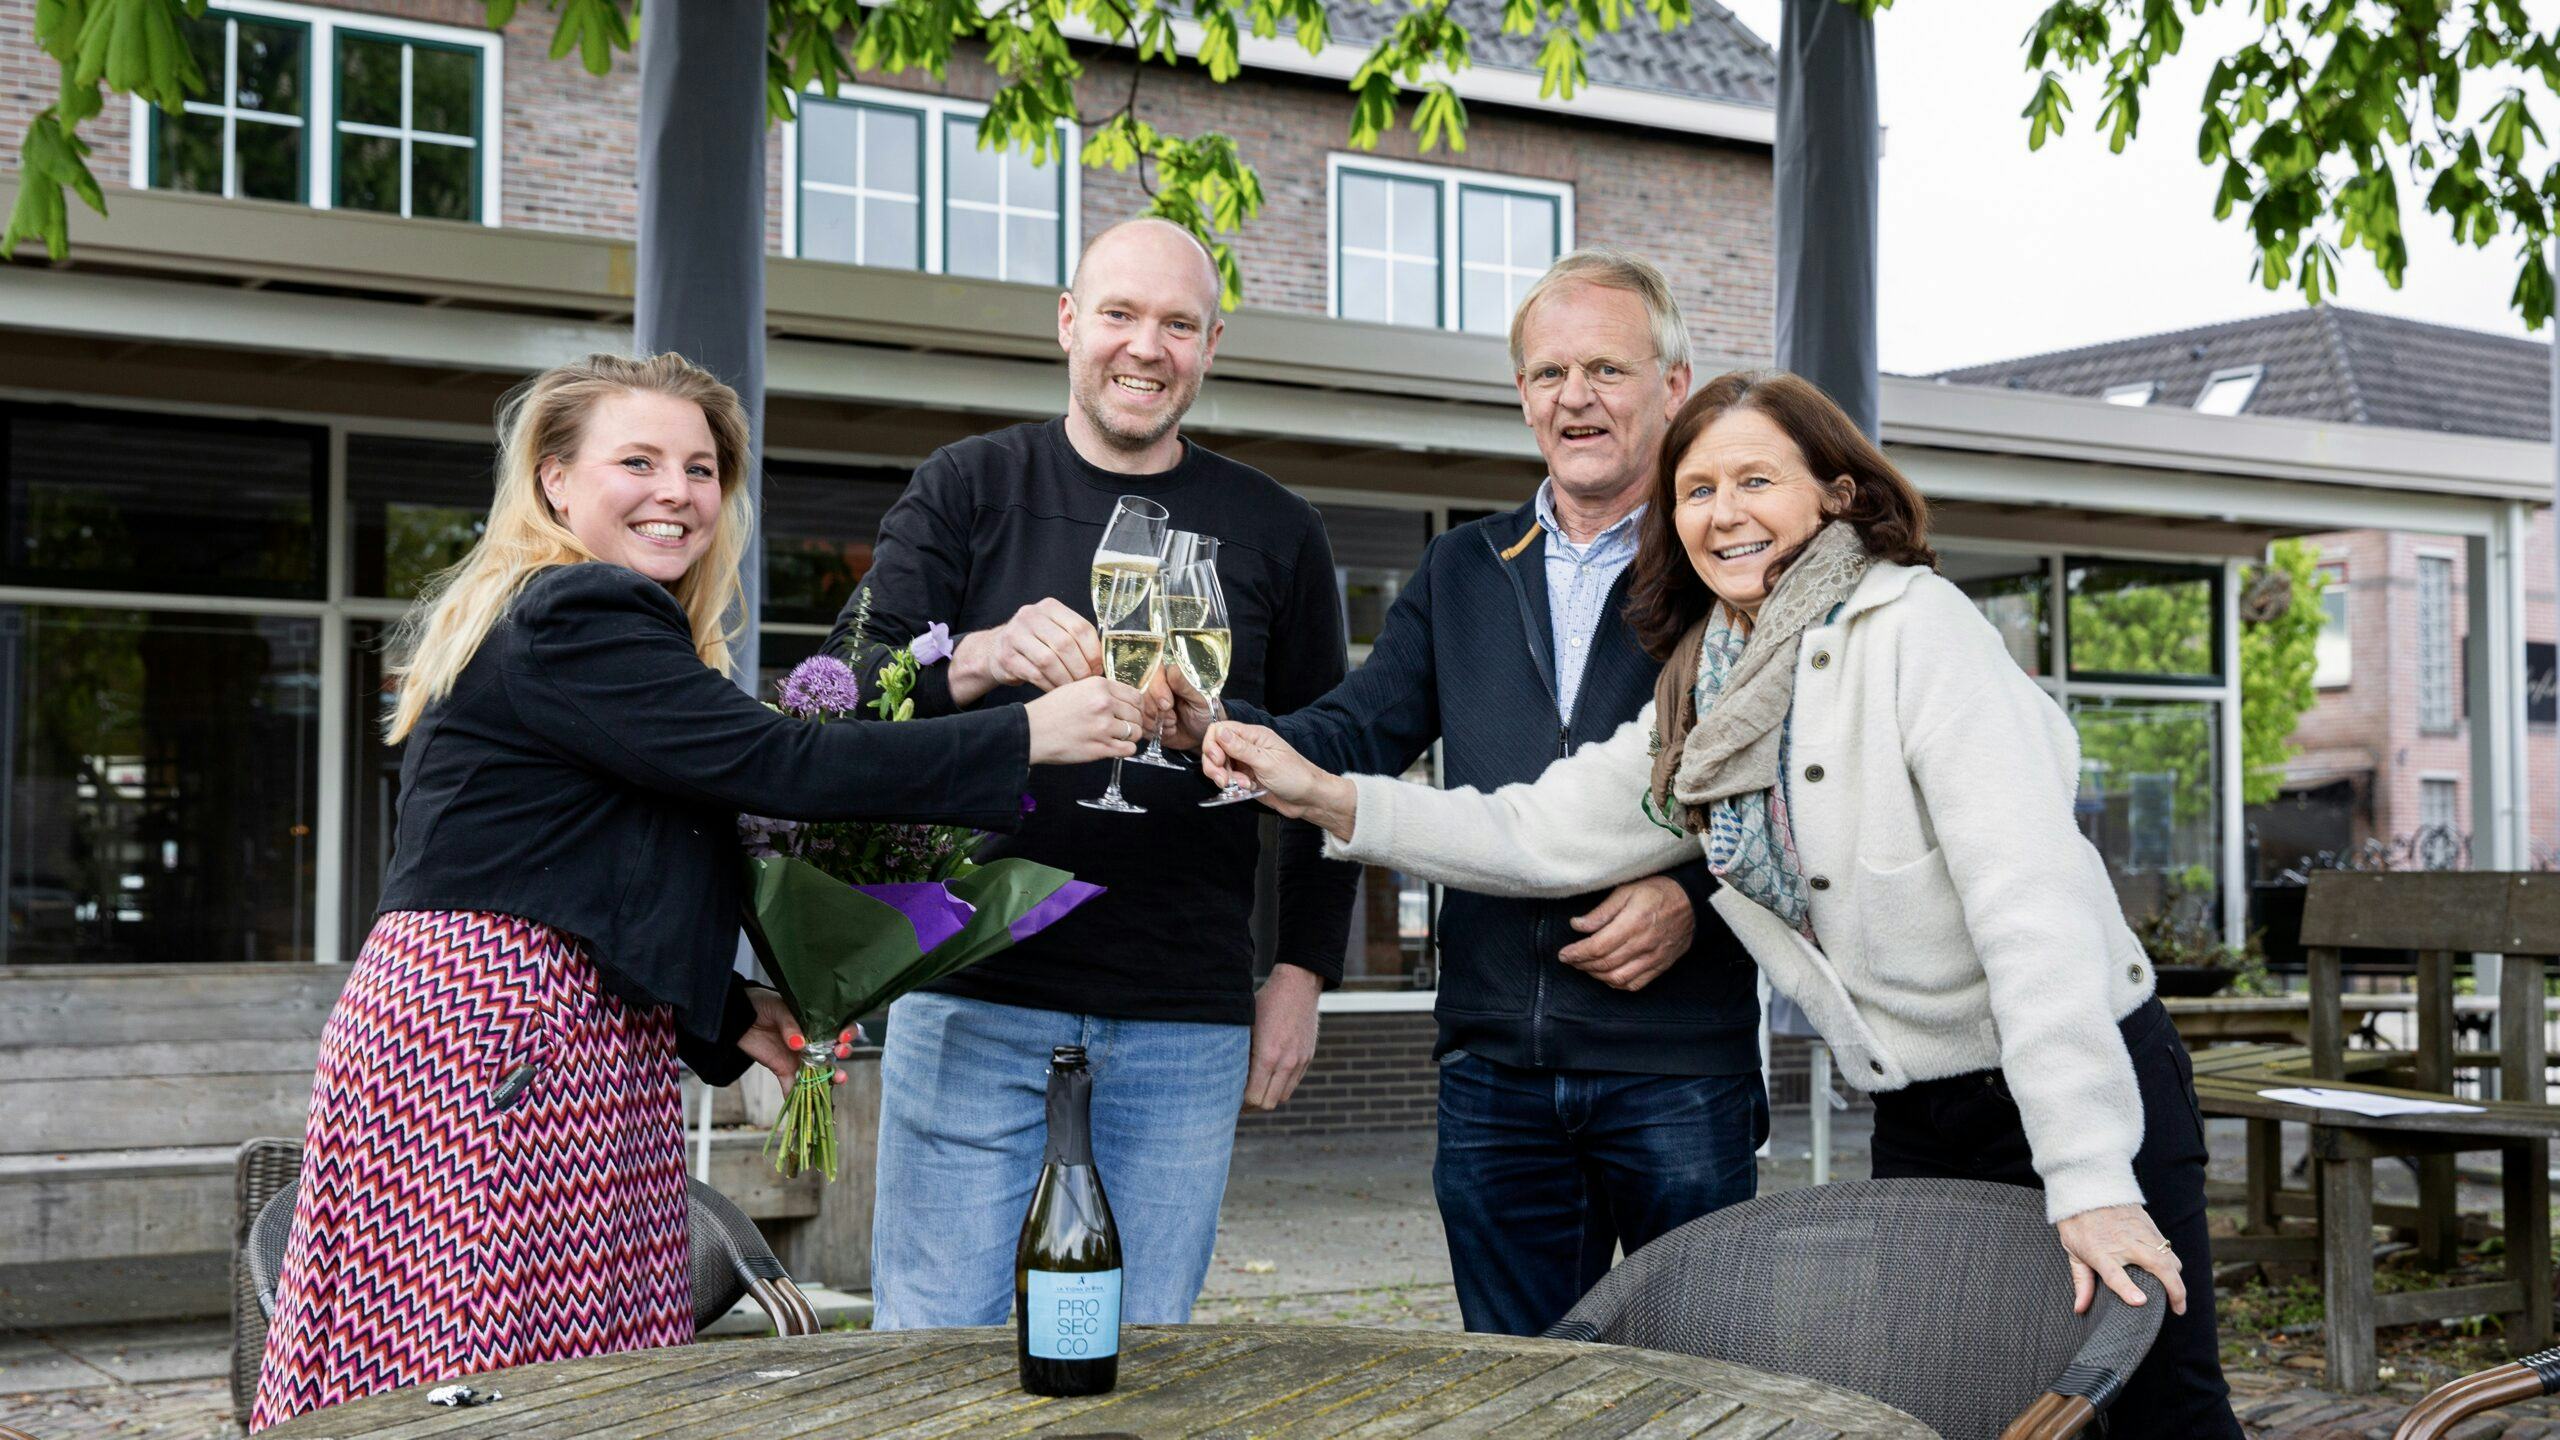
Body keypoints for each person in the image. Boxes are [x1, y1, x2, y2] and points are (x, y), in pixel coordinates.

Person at [1201, 370, 2241, 1435]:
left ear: (1835, 493)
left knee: (2161, 1412)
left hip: (2081, 1080)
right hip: (1922, 1109)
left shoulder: (1917, 630)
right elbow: (1538, 830)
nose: (1723, 512)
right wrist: (1326, 796)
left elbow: (2034, 916)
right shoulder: (1710, 686)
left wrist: (2089, 1177)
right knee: (1959, 1410)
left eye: (1756, 480)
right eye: (1697, 490)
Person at [249, 353, 1143, 1431]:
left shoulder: (572, 620)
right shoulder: (581, 607)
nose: (675, 492)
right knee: (493, 1386)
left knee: (524, 1375)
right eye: (637, 462)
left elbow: (588, 866)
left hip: (532, 1023)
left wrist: (723, 1014)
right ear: (553, 481)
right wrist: (1022, 734)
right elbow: (776, 764)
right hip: (505, 1032)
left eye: (701, 468)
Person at [1167, 247, 1765, 1337]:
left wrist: (1701, 903)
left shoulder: (1726, 570)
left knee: (1705, 1379)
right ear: (1523, 396)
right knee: (1521, 1388)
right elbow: (1356, 730)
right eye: (1548, 374)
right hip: (1493, 1072)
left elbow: (1797, 797)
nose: (1574, 398)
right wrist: (1223, 728)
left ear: (1673, 386)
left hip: (1675, 1065)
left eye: (1606, 369)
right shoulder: (1462, 568)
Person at [830, 218, 1357, 1330]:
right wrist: (979, 657)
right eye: (1119, 313)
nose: (1145, 347)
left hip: (1182, 1017)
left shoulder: (1278, 529)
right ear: (1069, 322)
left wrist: (1304, 972)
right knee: (934, 1346)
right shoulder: (968, 485)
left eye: (1178, 324)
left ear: (1211, 345)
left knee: (1138, 1354)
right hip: (970, 990)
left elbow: (1329, 765)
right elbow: (848, 695)